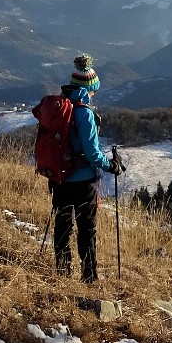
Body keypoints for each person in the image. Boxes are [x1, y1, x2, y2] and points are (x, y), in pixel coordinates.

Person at [51, 54, 123, 283]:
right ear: (90, 88)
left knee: (62, 226)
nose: (94, 94)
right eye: (94, 90)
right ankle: (88, 277)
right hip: (82, 181)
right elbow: (92, 153)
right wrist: (111, 165)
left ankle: (62, 272)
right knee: (86, 229)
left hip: (59, 177)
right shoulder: (84, 113)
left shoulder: (58, 107)